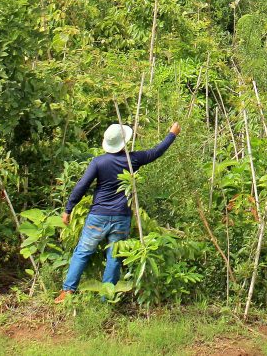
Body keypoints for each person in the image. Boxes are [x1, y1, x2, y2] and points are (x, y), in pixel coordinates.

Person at [54, 121, 181, 303]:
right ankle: (107, 297)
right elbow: (156, 152)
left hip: (98, 215)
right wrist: (172, 134)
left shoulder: (98, 162)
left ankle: (68, 291)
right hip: (121, 216)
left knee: (82, 251)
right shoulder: (132, 160)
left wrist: (68, 209)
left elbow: (82, 186)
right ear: (124, 142)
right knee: (114, 256)